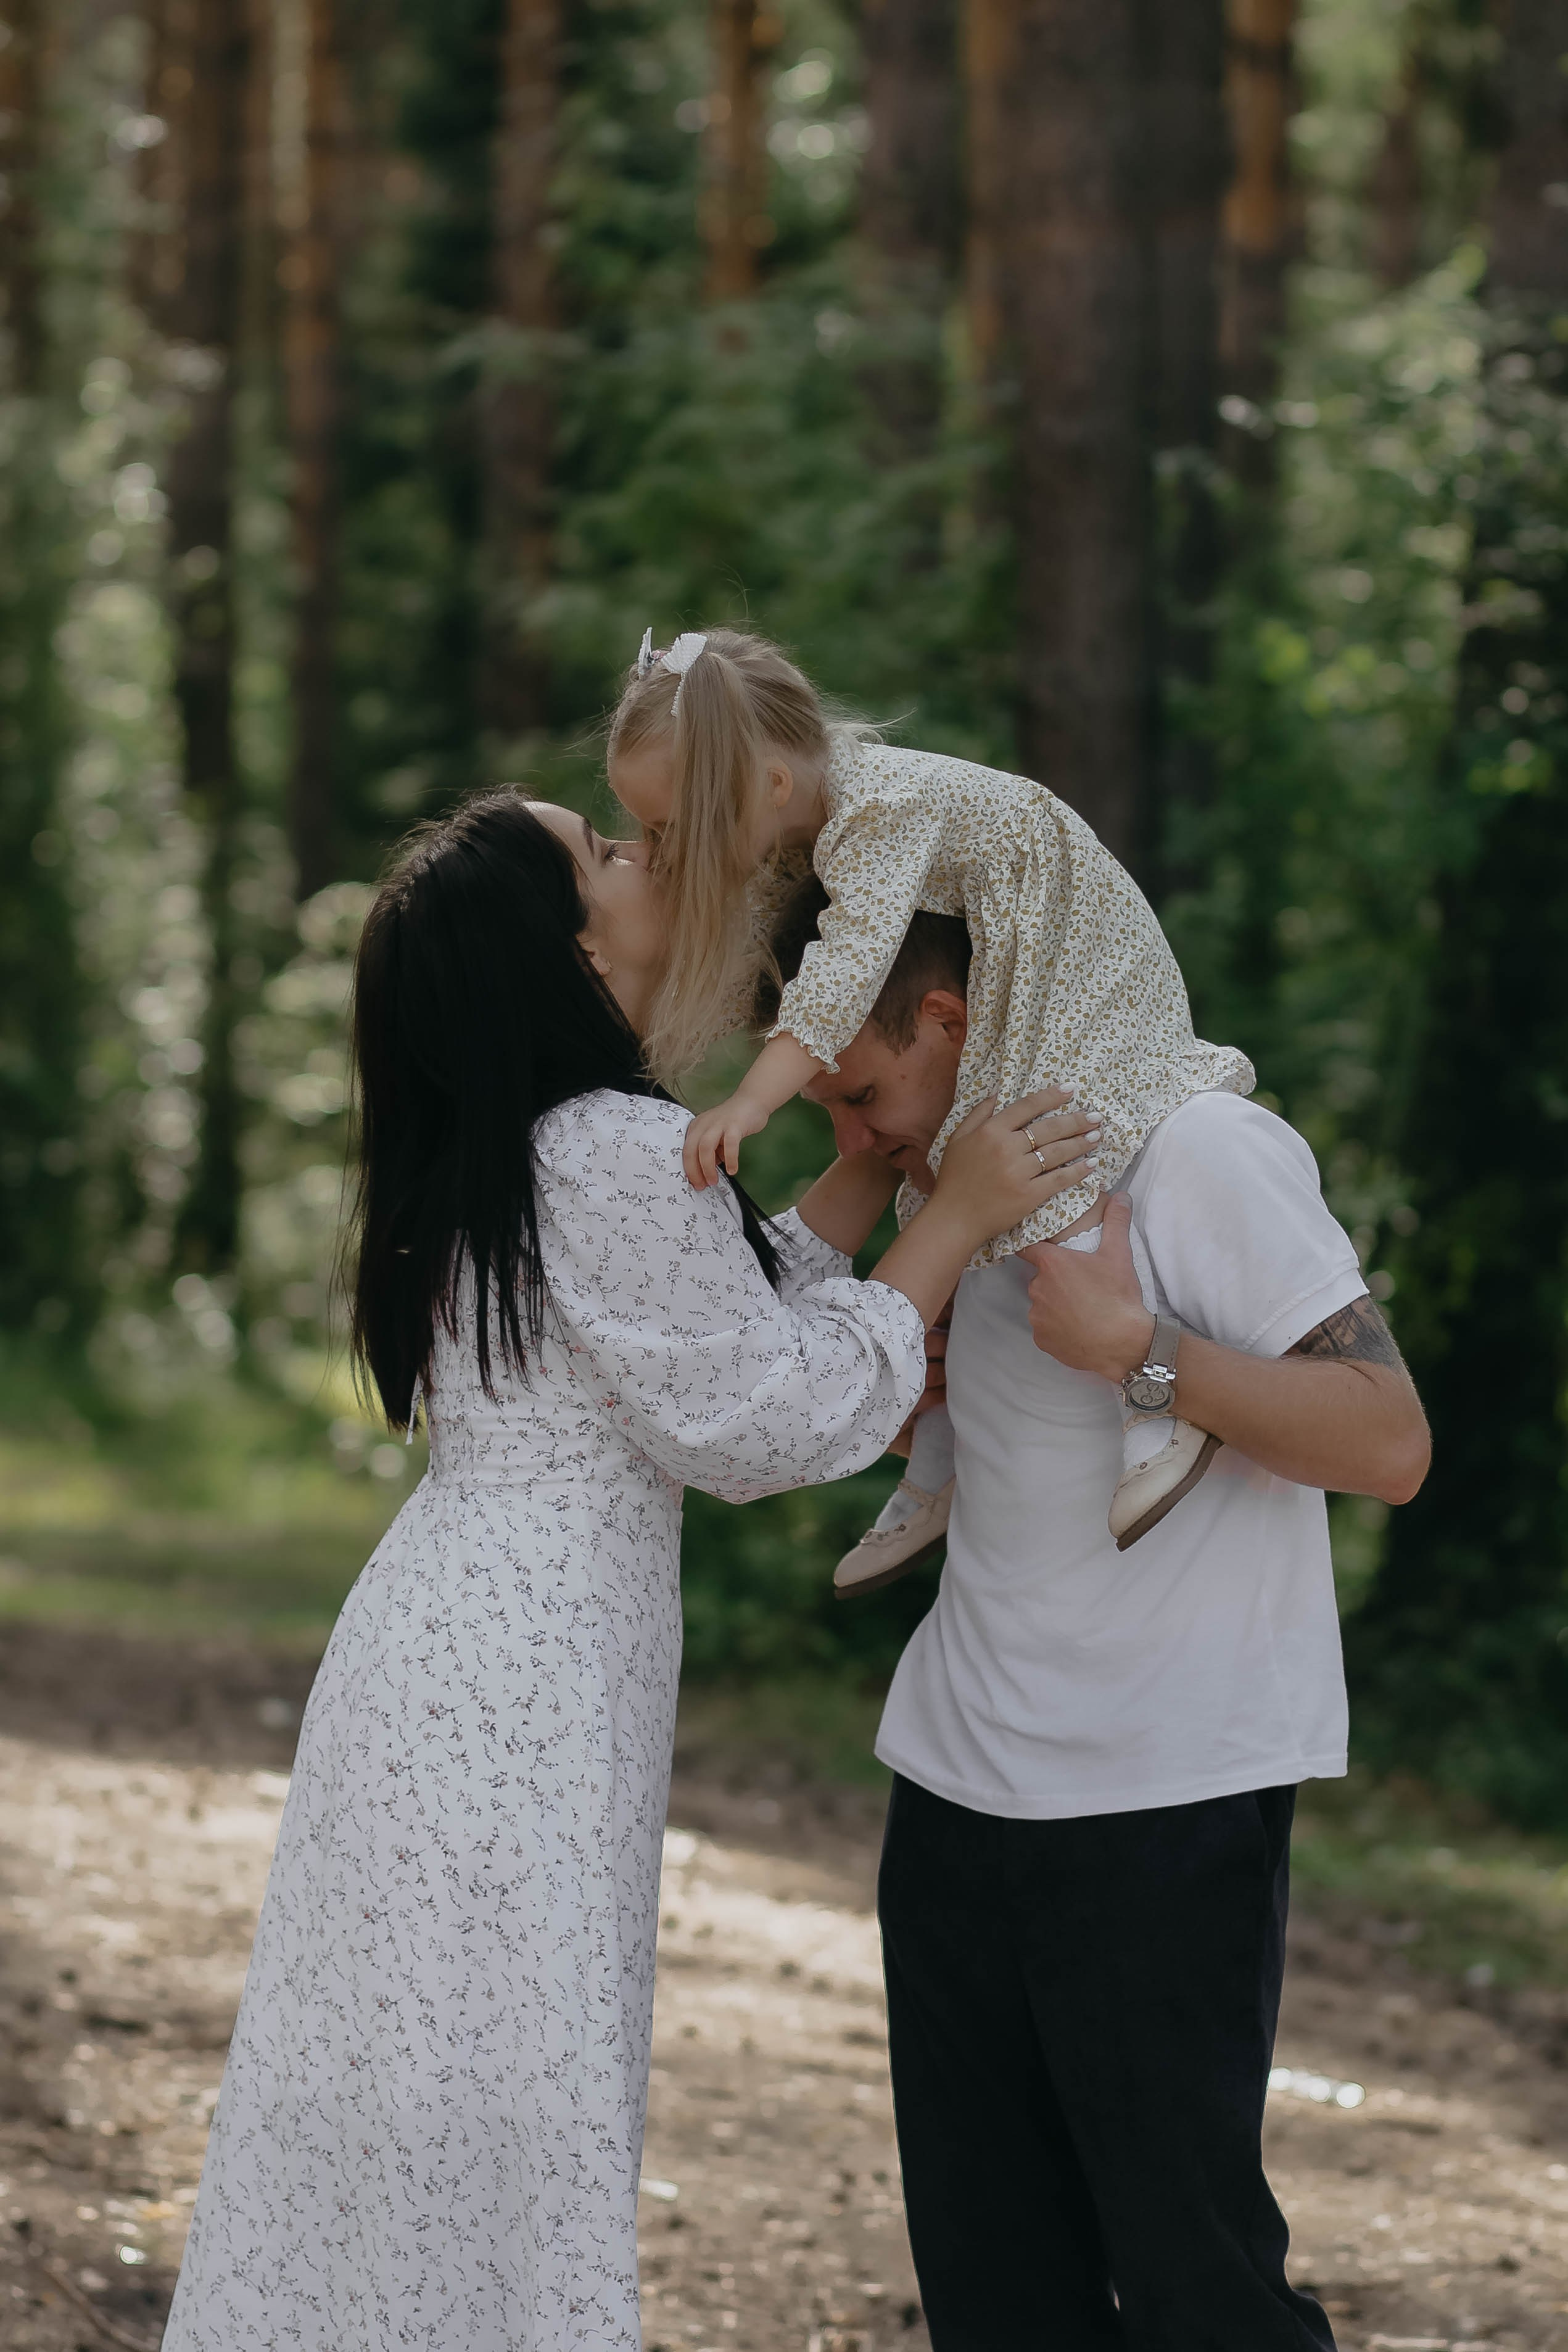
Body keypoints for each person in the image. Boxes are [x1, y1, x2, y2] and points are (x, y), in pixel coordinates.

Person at [159, 790, 1087, 2352]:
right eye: (602, 848)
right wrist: (959, 1222)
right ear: (574, 948)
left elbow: (697, 1313)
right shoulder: (607, 1146)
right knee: (502, 2105)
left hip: (455, 1657)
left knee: (427, 2107)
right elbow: (761, 1414)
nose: (642, 850)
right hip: (512, 1686)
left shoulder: (552, 1147)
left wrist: (866, 1169)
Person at [765, 883, 1432, 2351]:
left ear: (945, 1021)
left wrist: (1142, 1357)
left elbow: (1387, 1437)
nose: (859, 1134)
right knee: (996, 2301)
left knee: (1201, 2298)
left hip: (1160, 1799)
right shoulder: (969, 1192)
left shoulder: (1197, 1149)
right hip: (949, 1796)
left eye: (863, 1093)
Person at [608, 625, 1255, 1582]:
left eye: (671, 832)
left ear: (769, 788)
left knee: (1045, 1152)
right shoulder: (806, 824)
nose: (661, 855)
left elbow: (845, 970)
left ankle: (1152, 1409)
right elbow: (759, 954)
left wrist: (751, 1100)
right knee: (941, 1179)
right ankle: (943, 1446)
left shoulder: (878, 808)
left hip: (1069, 944)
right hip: (1004, 956)